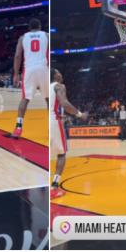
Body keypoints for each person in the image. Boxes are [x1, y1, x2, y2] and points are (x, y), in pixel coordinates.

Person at [9, 19, 49, 139]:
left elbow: (17, 56)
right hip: (43, 69)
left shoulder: (22, 38)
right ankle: (52, 127)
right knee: (48, 99)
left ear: (29, 28)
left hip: (29, 70)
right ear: (40, 26)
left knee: (25, 99)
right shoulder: (47, 35)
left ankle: (18, 128)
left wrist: (16, 74)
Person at [50, 68, 86, 199]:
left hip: (48, 120)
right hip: (55, 121)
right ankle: (54, 186)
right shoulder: (59, 86)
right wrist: (80, 114)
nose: (61, 74)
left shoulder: (48, 87)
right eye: (59, 72)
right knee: (61, 154)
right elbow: (64, 104)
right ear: (55, 75)